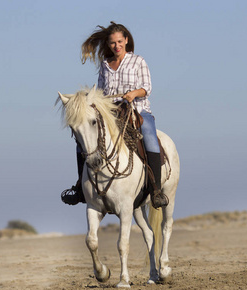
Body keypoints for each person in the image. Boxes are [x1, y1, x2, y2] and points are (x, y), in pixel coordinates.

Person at [61, 22, 168, 209]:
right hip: (111, 113)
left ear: (126, 40)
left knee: (150, 136)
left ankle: (156, 189)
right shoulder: (105, 65)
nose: (116, 46)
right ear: (108, 45)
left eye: (120, 41)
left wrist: (134, 94)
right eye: (112, 43)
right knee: (83, 140)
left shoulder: (138, 61)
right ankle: (80, 188)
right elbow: (101, 92)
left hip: (138, 110)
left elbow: (147, 88)